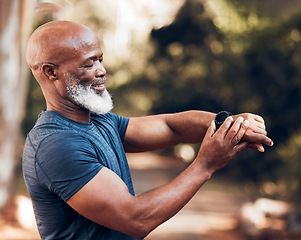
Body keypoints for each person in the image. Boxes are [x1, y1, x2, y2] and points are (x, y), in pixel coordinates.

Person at [23, 20, 273, 240]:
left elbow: (170, 127)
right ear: (51, 72)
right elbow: (135, 219)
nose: (101, 71)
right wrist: (205, 165)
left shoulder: (98, 120)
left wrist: (227, 124)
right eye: (88, 65)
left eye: (100, 59)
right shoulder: (56, 145)